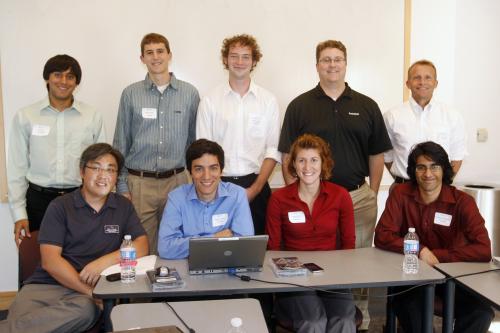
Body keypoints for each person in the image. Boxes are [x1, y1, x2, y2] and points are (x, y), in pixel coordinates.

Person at [278, 39, 392, 328]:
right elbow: (288, 155)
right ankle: (312, 310)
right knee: (313, 258)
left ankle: (357, 319)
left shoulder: (366, 105)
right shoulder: (300, 105)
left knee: (357, 263)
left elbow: (376, 153)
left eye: (337, 59)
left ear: (345, 63)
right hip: (313, 200)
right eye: (326, 59)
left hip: (357, 197)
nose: (332, 64)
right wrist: (297, 195)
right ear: (317, 65)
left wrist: (373, 193)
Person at [0, 143, 149, 333]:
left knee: (84, 311)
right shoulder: (60, 206)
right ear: (82, 172)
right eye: (96, 168)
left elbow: (142, 245)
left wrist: (104, 262)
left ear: (116, 177)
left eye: (110, 170)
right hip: (46, 286)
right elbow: (50, 261)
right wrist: (90, 293)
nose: (103, 175)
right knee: (22, 319)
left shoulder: (122, 206)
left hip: (84, 297)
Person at [375, 141, 493, 333]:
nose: (428, 174)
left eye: (434, 167)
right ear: (413, 171)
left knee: (482, 313)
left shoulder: (463, 202)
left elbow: (483, 249)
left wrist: (439, 256)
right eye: (421, 167)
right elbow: (382, 235)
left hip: (451, 279)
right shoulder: (400, 195)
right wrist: (421, 250)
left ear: (444, 169)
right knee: (410, 308)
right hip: (410, 278)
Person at [113, 32, 200, 254]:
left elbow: (194, 143)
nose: (155, 57)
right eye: (149, 52)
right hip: (140, 184)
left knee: (179, 243)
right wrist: (122, 186)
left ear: (169, 54)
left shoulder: (189, 94)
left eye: (160, 51)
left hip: (178, 181)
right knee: (143, 247)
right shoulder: (130, 94)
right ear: (142, 58)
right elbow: (121, 143)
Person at [7, 54, 106, 247]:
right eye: (58, 74)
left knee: (81, 262)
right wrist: (19, 213)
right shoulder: (26, 116)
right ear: (47, 78)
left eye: (70, 77)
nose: (63, 81)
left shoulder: (92, 116)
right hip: (38, 203)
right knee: (38, 264)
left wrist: (101, 204)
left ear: (76, 82)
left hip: (81, 200)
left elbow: (101, 166)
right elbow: (17, 167)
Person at [267, 134, 356, 333]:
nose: (308, 167)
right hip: (295, 277)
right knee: (313, 322)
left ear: (323, 163)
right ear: (294, 165)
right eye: (302, 160)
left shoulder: (340, 195)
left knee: (344, 320)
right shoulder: (279, 199)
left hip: (333, 275)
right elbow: (272, 248)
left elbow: (349, 244)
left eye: (314, 160)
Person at [196, 34, 281, 235]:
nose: (239, 62)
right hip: (218, 186)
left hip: (256, 185)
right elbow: (202, 151)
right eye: (234, 56)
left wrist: (255, 189)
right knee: (218, 248)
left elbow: (273, 150)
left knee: (257, 249)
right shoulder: (210, 101)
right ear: (225, 60)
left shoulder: (268, 101)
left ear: (254, 62)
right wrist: (217, 189)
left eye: (245, 57)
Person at [158, 139, 254, 259]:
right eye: (199, 169)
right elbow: (165, 248)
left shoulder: (237, 195)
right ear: (190, 172)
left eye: (213, 168)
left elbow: (245, 245)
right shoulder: (176, 198)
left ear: (221, 171)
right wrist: (213, 238)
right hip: (187, 269)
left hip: (226, 266)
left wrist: (190, 244)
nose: (207, 176)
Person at [384, 59, 466, 184]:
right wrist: (402, 179)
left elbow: (457, 157)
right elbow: (387, 156)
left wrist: (441, 184)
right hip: (403, 189)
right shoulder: (392, 116)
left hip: (439, 189)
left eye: (428, 77)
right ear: (408, 83)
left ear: (435, 83)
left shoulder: (452, 116)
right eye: (417, 77)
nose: (422, 82)